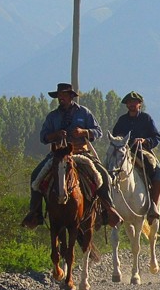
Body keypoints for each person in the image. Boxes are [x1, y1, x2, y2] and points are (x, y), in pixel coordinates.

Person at [21, 83, 122, 229]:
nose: (60, 98)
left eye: (63, 95)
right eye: (59, 96)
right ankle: (35, 213)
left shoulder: (84, 113)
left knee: (104, 175)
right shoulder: (52, 116)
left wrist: (84, 132)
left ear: (70, 96)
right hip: (58, 154)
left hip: (82, 152)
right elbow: (43, 137)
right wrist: (55, 134)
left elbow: (98, 131)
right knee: (35, 175)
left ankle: (108, 211)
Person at [112, 91, 160, 224]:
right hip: (124, 151)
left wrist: (145, 140)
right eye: (129, 102)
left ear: (140, 104)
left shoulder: (146, 118)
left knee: (158, 172)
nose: (131, 104)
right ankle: (106, 207)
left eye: (134, 102)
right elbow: (115, 136)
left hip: (142, 151)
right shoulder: (122, 120)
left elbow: (156, 137)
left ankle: (153, 205)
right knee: (109, 169)